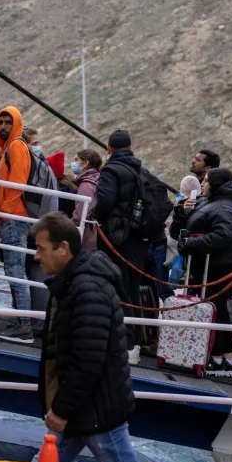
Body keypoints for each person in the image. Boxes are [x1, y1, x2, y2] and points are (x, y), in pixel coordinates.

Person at [28, 213, 141, 462]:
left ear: (63, 248)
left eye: (41, 248)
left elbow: (88, 360)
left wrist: (61, 409)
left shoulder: (86, 289)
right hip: (83, 409)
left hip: (96, 412)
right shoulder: (73, 284)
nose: (36, 256)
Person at [178, 168, 232, 377]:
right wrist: (184, 212)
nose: (202, 185)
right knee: (217, 310)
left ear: (215, 185)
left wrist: (191, 243)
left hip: (218, 267)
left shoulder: (224, 207)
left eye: (206, 181)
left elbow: (222, 236)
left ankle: (220, 358)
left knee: (215, 310)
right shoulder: (211, 202)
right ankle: (224, 358)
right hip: (209, 267)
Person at [94, 129, 149, 363]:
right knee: (131, 290)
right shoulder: (140, 170)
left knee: (116, 289)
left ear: (109, 148)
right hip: (136, 237)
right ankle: (132, 343)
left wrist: (96, 216)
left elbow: (105, 201)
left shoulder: (111, 170)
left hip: (115, 239)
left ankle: (122, 343)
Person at [0, 106, 35, 344]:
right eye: (1, 122)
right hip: (12, 217)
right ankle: (20, 321)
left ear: (16, 124)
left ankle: (25, 326)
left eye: (8, 122)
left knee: (16, 271)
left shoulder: (17, 146)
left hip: (14, 219)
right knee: (12, 270)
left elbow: (18, 183)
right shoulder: (9, 147)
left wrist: (5, 214)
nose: (3, 127)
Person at [71, 149, 102, 251]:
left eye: (77, 160)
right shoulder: (98, 178)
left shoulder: (86, 185)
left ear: (86, 163)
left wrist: (66, 225)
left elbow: (80, 216)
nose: (74, 163)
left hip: (88, 237)